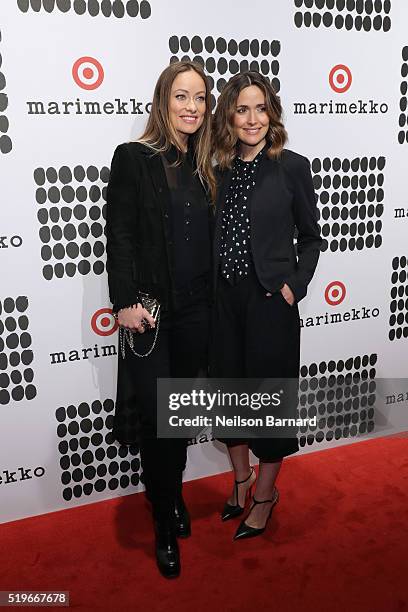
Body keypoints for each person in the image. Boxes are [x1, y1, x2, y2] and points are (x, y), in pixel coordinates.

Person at [105, 61, 215, 577]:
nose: (191, 106)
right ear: (163, 101)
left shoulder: (208, 166)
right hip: (148, 314)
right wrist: (122, 300)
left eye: (199, 98)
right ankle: (164, 520)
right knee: (158, 420)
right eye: (181, 96)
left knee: (180, 416)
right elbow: (121, 235)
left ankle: (169, 495)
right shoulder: (134, 158)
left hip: (198, 312)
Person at [211, 71, 322, 540]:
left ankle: (265, 495)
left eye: (260, 108)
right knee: (231, 397)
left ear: (271, 113)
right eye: (242, 109)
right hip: (223, 303)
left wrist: (294, 285)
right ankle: (240, 482)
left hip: (270, 303)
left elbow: (313, 238)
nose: (252, 119)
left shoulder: (292, 166)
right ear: (229, 118)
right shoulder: (215, 167)